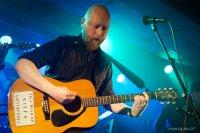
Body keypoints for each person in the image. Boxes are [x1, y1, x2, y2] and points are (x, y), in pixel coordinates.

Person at [15, 4, 149, 132]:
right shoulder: (64, 43)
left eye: (104, 28)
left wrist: (131, 112)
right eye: (96, 26)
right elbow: (23, 64)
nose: (100, 32)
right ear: (82, 22)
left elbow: (108, 99)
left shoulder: (106, 62)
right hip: (42, 118)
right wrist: (54, 91)